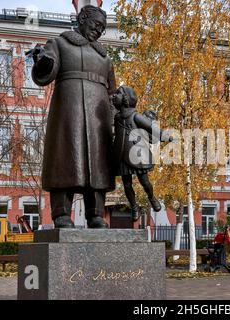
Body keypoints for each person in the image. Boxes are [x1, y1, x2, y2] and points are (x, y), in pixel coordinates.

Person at [31, 5, 115, 228]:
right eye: (96, 25)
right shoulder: (59, 43)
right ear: (82, 18)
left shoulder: (105, 59)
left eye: (102, 29)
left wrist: (117, 116)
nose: (98, 31)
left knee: (98, 166)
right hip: (69, 111)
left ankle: (96, 214)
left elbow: (113, 93)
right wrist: (43, 62)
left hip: (99, 118)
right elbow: (44, 74)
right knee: (65, 159)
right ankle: (61, 214)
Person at [111, 85, 172, 221]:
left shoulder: (136, 116)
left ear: (126, 99)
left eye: (118, 94)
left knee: (144, 181)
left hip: (137, 153)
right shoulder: (117, 117)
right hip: (121, 153)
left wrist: (165, 136)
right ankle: (134, 206)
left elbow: (151, 127)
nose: (114, 96)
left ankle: (151, 197)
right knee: (127, 184)